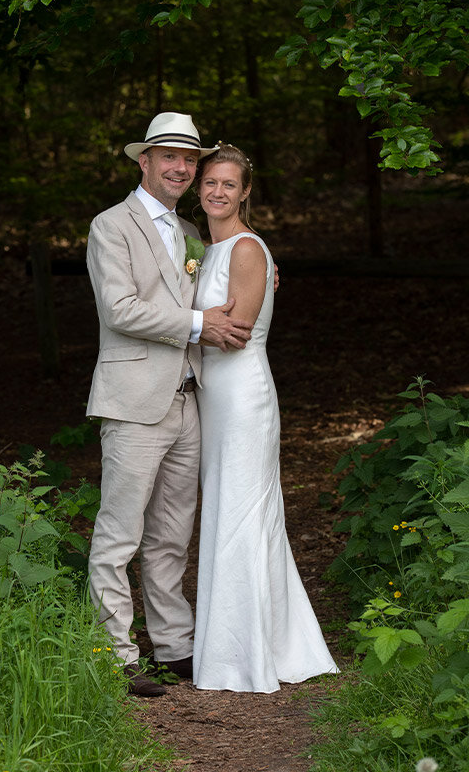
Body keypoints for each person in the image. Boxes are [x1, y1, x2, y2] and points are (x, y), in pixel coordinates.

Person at [85, 113, 253, 697]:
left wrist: (258, 270)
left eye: (189, 158)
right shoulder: (111, 226)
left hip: (189, 401)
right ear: (144, 162)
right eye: (169, 157)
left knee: (171, 535)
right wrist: (197, 324)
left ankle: (175, 646)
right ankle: (116, 654)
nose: (181, 167)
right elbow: (120, 310)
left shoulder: (190, 230)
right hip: (133, 401)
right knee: (119, 536)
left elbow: (218, 277)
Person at [192, 143, 338, 693]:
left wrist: (182, 321)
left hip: (242, 396)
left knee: (243, 515)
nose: (218, 191)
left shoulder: (248, 249)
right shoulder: (204, 249)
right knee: (229, 511)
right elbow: (210, 318)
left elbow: (234, 331)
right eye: (210, 182)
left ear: (246, 192)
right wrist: (196, 317)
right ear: (199, 187)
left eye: (229, 184)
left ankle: (245, 656)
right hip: (214, 398)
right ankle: (246, 645)